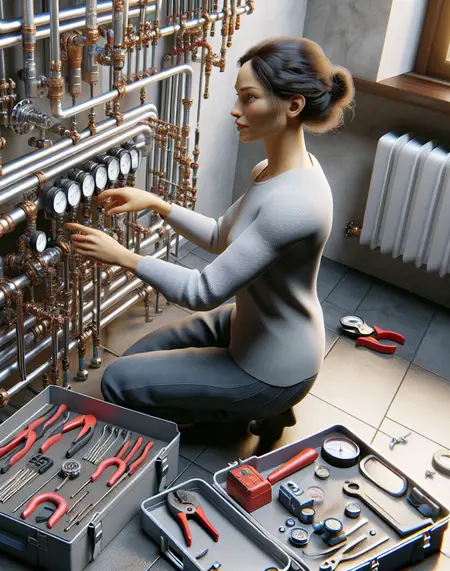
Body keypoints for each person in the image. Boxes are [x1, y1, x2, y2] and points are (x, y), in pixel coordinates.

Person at [65, 37, 353, 441]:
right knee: (133, 360)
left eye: (248, 98)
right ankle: (243, 404)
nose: (235, 111)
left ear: (293, 105)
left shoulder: (295, 204)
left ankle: (252, 407)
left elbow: (204, 291)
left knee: (117, 382)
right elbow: (221, 234)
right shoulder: (270, 170)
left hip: (271, 370)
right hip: (251, 326)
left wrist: (123, 257)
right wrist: (157, 203)